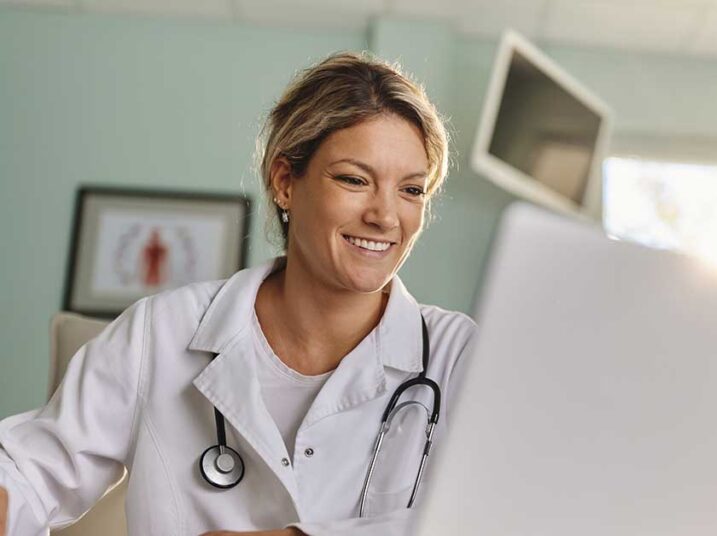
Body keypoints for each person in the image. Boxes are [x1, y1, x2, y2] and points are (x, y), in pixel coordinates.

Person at [0, 51, 476, 536]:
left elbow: (511, 514)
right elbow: (28, 473)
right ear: (286, 182)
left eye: (412, 191)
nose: (386, 216)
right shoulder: (162, 332)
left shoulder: (461, 356)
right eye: (355, 180)